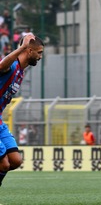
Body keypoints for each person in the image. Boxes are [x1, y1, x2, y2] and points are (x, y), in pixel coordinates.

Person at [0, 33, 44, 187]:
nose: (40, 57)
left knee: (15, 161)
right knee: (4, 164)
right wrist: (22, 47)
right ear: (29, 51)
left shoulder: (21, 71)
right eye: (39, 52)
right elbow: (1, 66)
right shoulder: (12, 65)